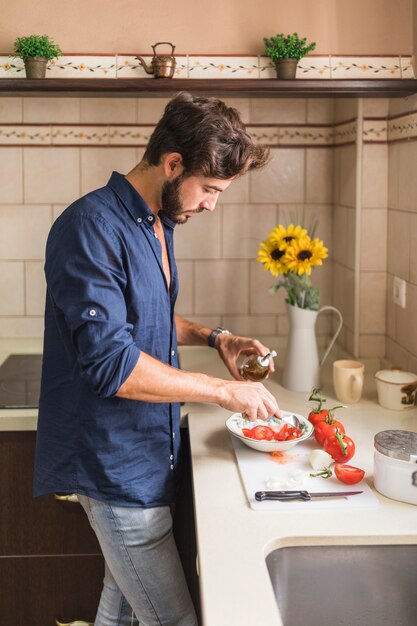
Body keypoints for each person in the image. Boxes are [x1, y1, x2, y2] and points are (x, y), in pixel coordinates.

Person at [34, 92, 281, 626]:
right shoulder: (91, 227)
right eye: (210, 189)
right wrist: (223, 390)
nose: (213, 203)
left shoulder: (157, 223)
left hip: (150, 457)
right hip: (115, 466)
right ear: (172, 164)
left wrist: (217, 338)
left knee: (119, 608)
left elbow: (145, 319)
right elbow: (112, 363)